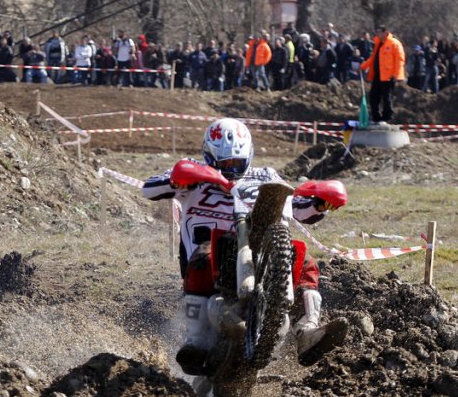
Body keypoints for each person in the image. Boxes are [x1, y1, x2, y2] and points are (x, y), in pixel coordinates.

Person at [141, 118, 349, 374]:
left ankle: (307, 331)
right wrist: (176, 182)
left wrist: (319, 205)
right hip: (211, 260)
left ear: (248, 154)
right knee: (204, 254)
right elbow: (149, 188)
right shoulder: (195, 174)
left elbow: (295, 207)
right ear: (208, 155)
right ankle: (195, 341)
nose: (230, 169)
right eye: (224, 163)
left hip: (259, 253)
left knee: (304, 261)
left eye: (236, 163)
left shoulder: (265, 175)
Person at [359, 25, 405, 124]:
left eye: (379, 32)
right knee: (373, 96)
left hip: (388, 76)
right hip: (378, 75)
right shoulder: (378, 45)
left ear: (385, 32)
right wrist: (363, 66)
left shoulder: (394, 44)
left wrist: (397, 75)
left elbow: (399, 60)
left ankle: (387, 117)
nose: (377, 34)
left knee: (386, 97)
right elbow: (373, 58)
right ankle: (376, 117)